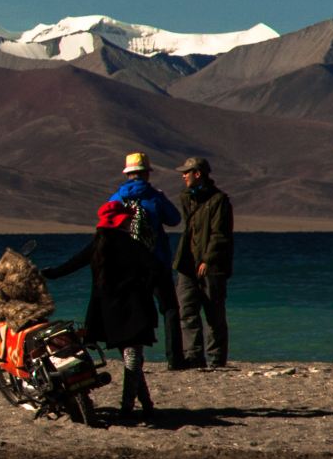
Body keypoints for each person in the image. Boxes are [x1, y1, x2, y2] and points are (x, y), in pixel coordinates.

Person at [41, 199, 170, 423]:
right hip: (134, 311)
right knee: (132, 360)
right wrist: (146, 289)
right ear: (122, 222)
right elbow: (157, 269)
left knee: (132, 359)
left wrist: (48, 273)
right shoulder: (132, 244)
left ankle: (147, 405)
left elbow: (70, 266)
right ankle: (128, 408)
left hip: (109, 315)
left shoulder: (97, 245)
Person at [110, 152, 186, 369]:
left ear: (128, 174)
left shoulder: (117, 198)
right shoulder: (155, 196)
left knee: (133, 311)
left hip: (129, 264)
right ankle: (174, 359)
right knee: (170, 309)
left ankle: (133, 359)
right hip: (157, 261)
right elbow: (174, 219)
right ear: (146, 174)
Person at [173, 157, 235, 369]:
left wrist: (208, 259)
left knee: (214, 313)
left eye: (186, 172)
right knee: (187, 310)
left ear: (197, 174)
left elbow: (220, 234)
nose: (183, 176)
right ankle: (193, 356)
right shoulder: (186, 198)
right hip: (187, 263)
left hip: (212, 266)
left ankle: (216, 358)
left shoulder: (219, 201)